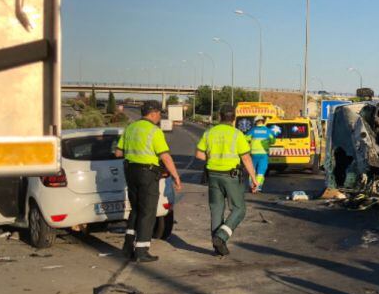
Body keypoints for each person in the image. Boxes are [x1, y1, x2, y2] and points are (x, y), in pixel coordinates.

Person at [115, 101, 183, 262]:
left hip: (130, 171)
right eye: (159, 113)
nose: (160, 116)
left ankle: (128, 246)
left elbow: (118, 153)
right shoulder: (154, 131)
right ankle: (141, 250)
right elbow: (165, 156)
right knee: (148, 212)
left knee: (136, 210)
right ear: (153, 113)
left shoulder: (130, 128)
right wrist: (176, 176)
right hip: (147, 174)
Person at [196, 105, 258, 256]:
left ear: (219, 116)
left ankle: (217, 247)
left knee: (216, 210)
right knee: (239, 209)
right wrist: (254, 178)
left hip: (213, 176)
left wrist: (213, 159)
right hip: (231, 177)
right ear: (234, 119)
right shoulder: (237, 134)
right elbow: (246, 158)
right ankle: (221, 236)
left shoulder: (209, 132)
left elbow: (199, 155)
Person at [247, 116, 277, 192]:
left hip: (254, 153)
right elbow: (273, 141)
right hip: (264, 153)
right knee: (261, 171)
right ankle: (257, 187)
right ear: (263, 121)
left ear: (255, 122)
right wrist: (267, 142)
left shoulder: (252, 130)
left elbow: (246, 138)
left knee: (252, 170)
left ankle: (252, 186)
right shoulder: (268, 130)